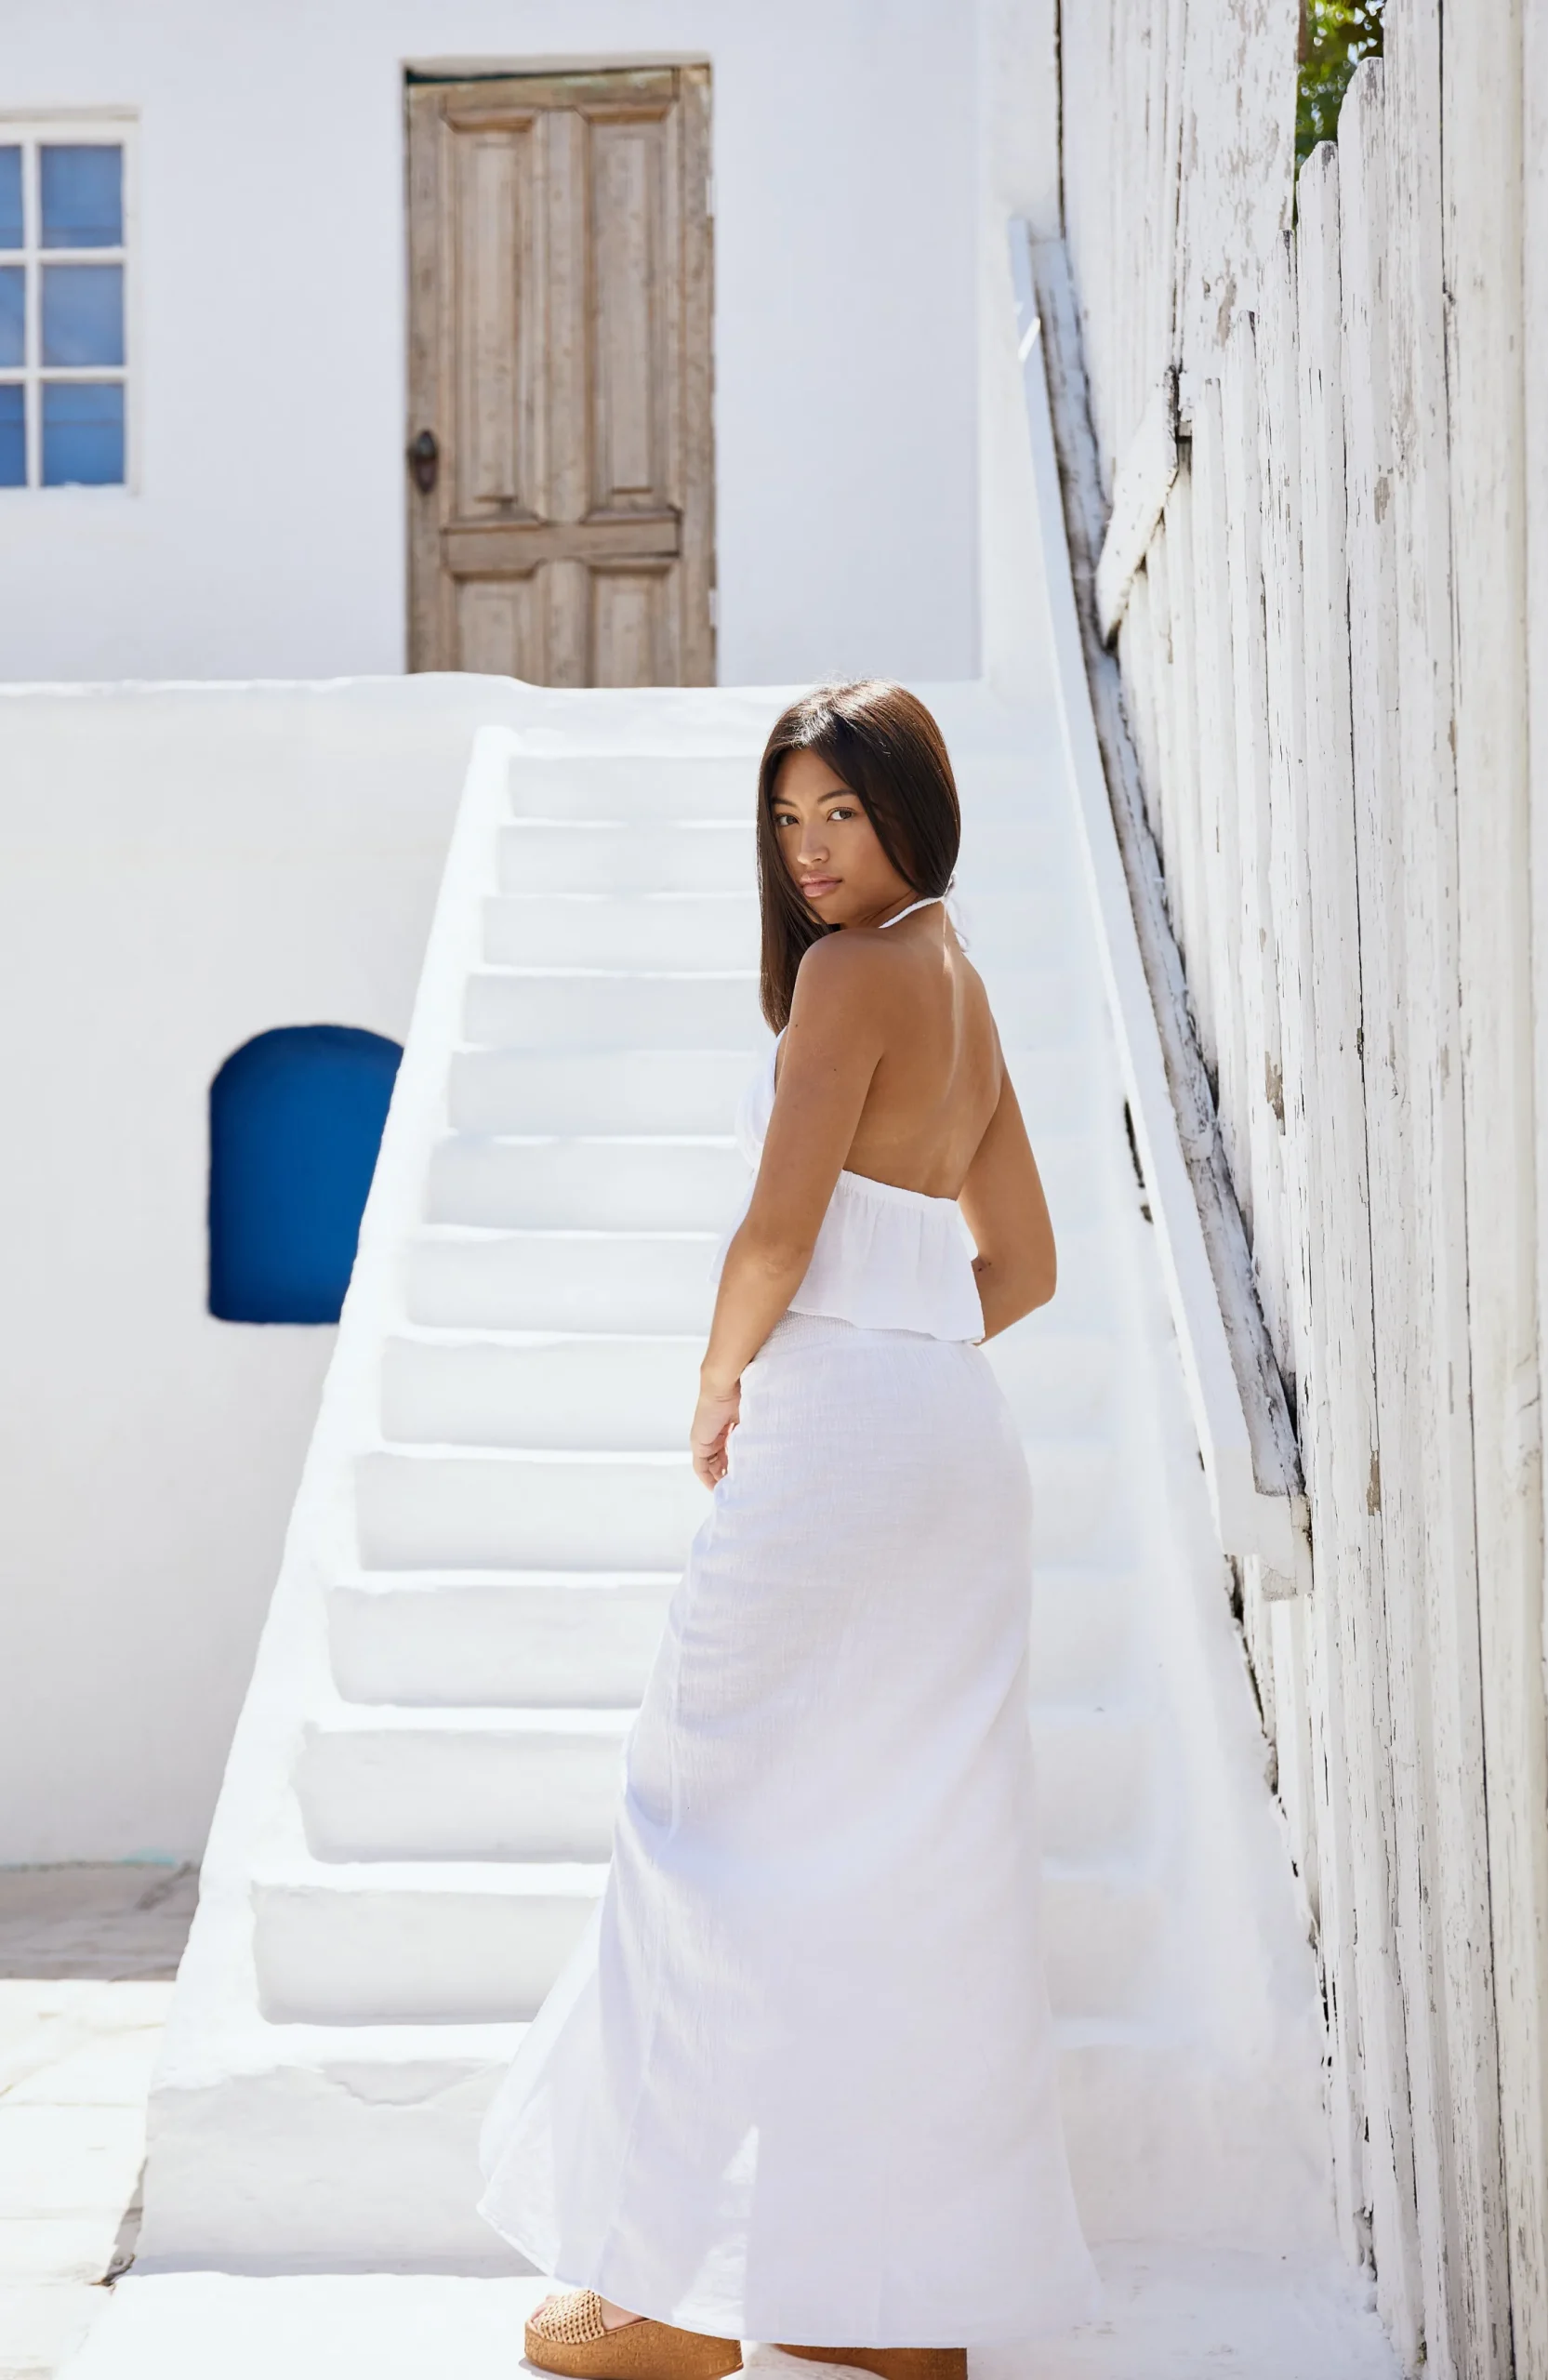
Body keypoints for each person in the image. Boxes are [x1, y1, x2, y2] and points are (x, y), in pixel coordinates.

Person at [479, 681, 1099, 2380]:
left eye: (839, 812)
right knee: (919, 1864)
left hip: (831, 1442)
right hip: (953, 1447)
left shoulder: (848, 976)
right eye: (785, 818)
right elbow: (1025, 1267)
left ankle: (660, 2301)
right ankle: (904, 2315)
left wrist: (721, 1385)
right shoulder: (958, 979)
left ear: (910, 810)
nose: (809, 851)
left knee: (698, 1832)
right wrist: (905, 1344)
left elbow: (775, 1231)